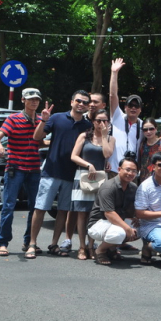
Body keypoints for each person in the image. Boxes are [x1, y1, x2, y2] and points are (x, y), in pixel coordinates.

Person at [28, 90, 93, 258]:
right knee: (41, 208)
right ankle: (32, 244)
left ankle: (54, 244)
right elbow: (37, 137)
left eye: (85, 102)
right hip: (51, 171)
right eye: (78, 100)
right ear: (72, 102)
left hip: (72, 175)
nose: (81, 104)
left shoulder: (87, 126)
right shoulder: (56, 118)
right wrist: (43, 120)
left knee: (63, 211)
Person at [0, 87, 45, 257]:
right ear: (23, 100)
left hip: (34, 169)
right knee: (8, 206)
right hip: (15, 168)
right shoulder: (14, 119)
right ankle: (2, 242)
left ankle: (29, 242)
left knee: (34, 207)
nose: (34, 102)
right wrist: (0, 146)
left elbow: (40, 142)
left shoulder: (41, 120)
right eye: (30, 99)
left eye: (36, 99)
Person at [69, 108, 115, 260]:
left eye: (105, 120)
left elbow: (107, 154)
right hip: (83, 177)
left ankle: (91, 246)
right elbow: (74, 156)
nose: (101, 123)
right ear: (93, 121)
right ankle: (82, 247)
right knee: (82, 213)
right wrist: (88, 164)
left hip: (101, 179)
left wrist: (103, 135)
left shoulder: (110, 138)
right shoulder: (84, 136)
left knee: (95, 214)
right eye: (98, 120)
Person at [87, 156, 140, 265]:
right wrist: (127, 228)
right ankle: (100, 250)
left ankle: (111, 249)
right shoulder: (108, 186)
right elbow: (109, 213)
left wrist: (136, 218)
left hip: (115, 222)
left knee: (141, 229)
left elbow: (132, 209)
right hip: (99, 223)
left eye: (134, 171)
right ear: (119, 169)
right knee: (120, 233)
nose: (130, 173)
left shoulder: (133, 187)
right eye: (128, 170)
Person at [134, 152, 161, 264]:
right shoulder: (145, 186)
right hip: (152, 225)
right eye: (160, 165)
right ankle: (148, 246)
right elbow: (139, 213)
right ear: (153, 167)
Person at [108, 58, 143, 171]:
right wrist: (114, 72)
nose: (133, 108)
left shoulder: (143, 126)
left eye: (136, 106)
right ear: (125, 107)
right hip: (114, 168)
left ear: (140, 110)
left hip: (133, 171)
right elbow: (113, 95)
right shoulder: (117, 116)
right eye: (130, 105)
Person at [137, 117, 161, 182]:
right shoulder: (142, 144)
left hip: (159, 179)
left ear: (156, 129)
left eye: (151, 129)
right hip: (144, 180)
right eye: (145, 130)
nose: (148, 132)